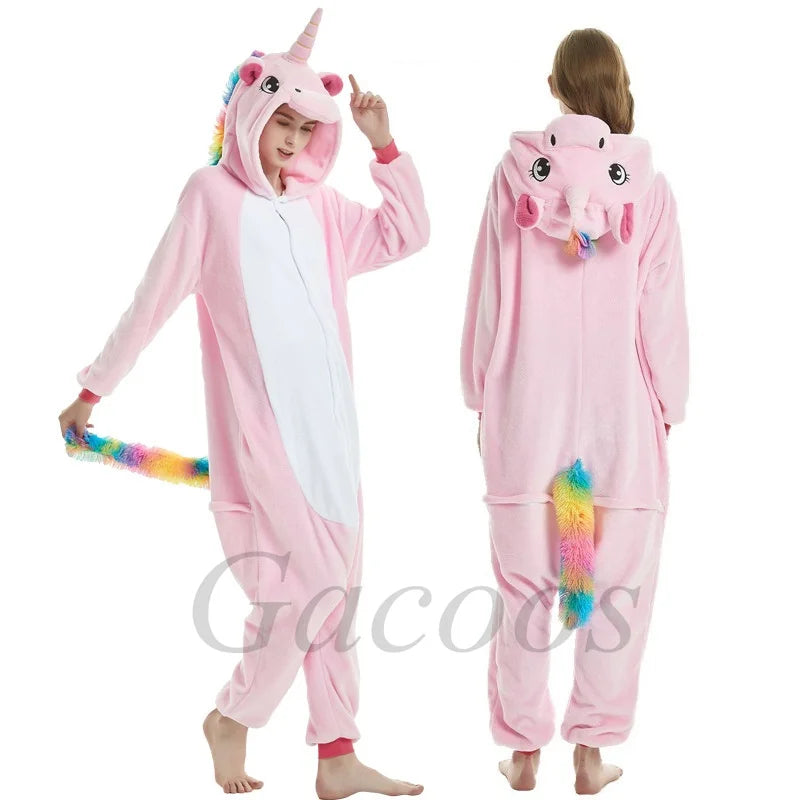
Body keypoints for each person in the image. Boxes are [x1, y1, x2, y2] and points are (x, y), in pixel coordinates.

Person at [58, 8, 429, 796]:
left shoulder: (322, 208)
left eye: (305, 128)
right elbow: (153, 300)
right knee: (301, 593)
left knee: (337, 596)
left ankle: (337, 756)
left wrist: (384, 146)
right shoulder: (211, 199)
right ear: (248, 113)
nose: (292, 142)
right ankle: (233, 716)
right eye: (280, 124)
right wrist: (94, 387)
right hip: (263, 442)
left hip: (335, 440)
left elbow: (407, 234)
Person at [459, 28, 689, 794]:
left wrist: (479, 390)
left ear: (554, 87)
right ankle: (590, 752)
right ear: (619, 87)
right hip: (622, 418)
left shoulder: (514, 176)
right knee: (618, 587)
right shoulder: (647, 187)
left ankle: (525, 750)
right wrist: (670, 400)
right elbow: (662, 312)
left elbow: (489, 294)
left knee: (523, 587)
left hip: (527, 409)